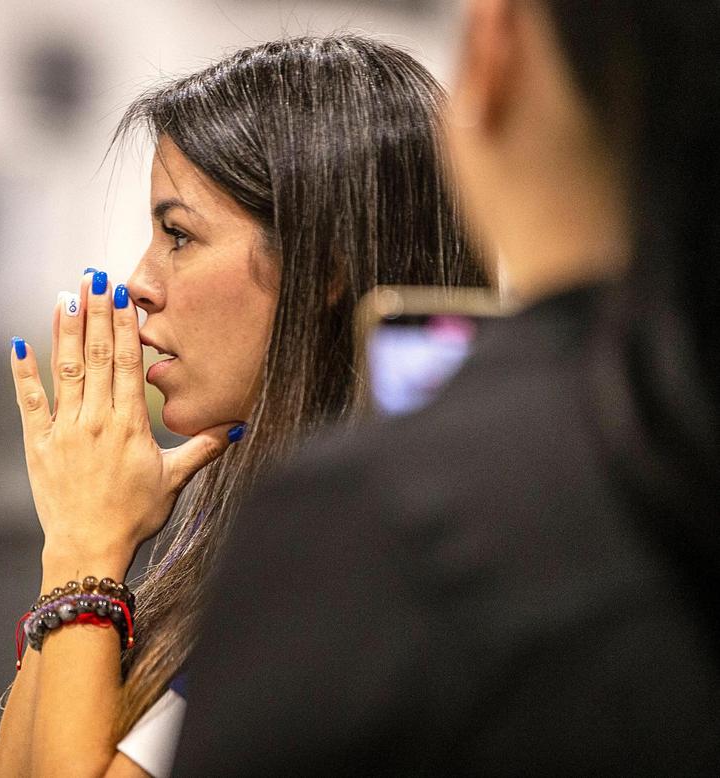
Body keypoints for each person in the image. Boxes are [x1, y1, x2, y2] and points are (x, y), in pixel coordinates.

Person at [173, 1, 720, 774]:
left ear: (495, 49)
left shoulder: (369, 519)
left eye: (178, 236)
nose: (137, 289)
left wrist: (84, 568)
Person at [0, 36, 488, 778]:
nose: (138, 283)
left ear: (322, 266)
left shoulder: (363, 549)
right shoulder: (280, 523)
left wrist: (87, 552)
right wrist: (71, 547)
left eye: (179, 235)